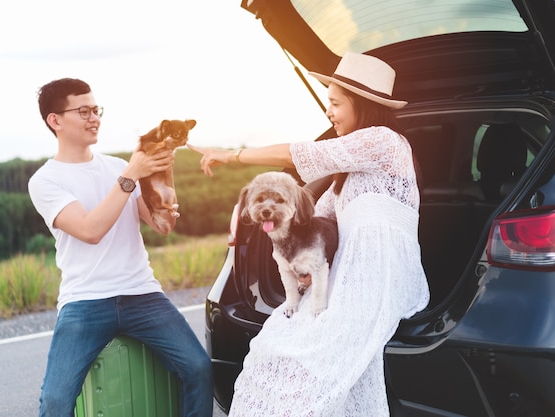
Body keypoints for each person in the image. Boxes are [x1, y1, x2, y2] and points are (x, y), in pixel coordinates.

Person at [188, 52, 430, 416]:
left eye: (335, 103)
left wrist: (231, 156)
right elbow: (314, 222)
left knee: (309, 368)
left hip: (380, 279)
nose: (328, 112)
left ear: (362, 105)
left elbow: (302, 152)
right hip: (348, 280)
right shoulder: (344, 181)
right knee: (272, 349)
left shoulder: (385, 141)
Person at [28, 78, 213, 417]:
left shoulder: (116, 166)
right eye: (83, 111)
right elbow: (89, 230)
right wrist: (131, 174)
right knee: (54, 402)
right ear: (55, 121)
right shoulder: (45, 180)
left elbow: (162, 225)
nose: (94, 118)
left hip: (141, 293)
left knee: (199, 368)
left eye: (95, 110)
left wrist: (164, 173)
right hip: (85, 301)